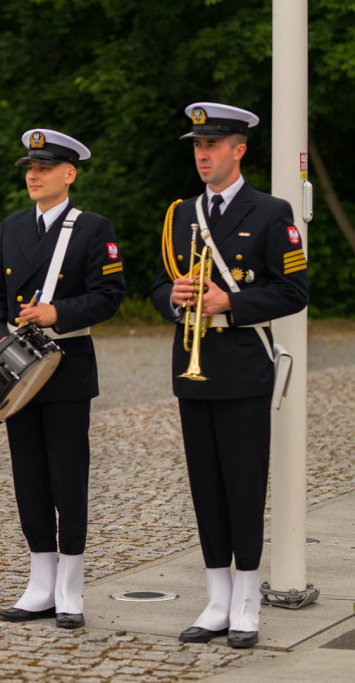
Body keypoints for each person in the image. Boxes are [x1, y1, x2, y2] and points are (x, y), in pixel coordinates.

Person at [152, 103, 309, 649]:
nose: (202, 154)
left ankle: (245, 600)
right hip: (193, 371)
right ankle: (216, 599)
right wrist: (172, 298)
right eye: (197, 146)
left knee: (243, 485)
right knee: (206, 488)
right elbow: (157, 285)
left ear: (239, 150)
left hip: (244, 368)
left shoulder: (271, 211)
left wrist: (230, 301)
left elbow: (294, 291)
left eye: (213, 145)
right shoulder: (179, 215)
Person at [0, 130, 125, 628]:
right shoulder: (11, 227)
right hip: (17, 369)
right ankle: (39, 580)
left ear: (70, 174)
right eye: (29, 167)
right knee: (29, 477)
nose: (33, 175)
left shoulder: (91, 228)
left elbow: (109, 296)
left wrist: (55, 311)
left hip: (65, 368)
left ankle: (71, 585)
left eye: (44, 168)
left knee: (67, 476)